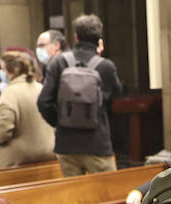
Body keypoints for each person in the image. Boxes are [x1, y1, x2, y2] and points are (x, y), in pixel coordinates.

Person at [37, 13, 122, 176]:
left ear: (76, 36)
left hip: (66, 145)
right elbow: (117, 98)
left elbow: (43, 102)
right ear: (99, 39)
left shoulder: (58, 63)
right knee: (106, 194)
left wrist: (61, 121)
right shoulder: (106, 66)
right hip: (97, 143)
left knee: (74, 197)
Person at [0, 51, 55, 168]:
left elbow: (2, 131)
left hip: (19, 160)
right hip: (49, 155)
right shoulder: (41, 88)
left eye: (3, 69)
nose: (2, 73)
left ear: (12, 71)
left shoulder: (9, 93)